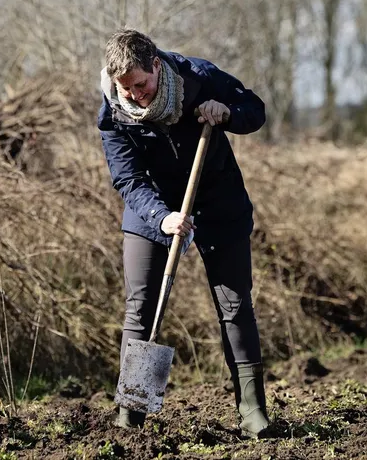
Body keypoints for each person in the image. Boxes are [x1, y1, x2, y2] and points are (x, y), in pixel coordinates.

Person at [97, 29, 270, 438]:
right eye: (126, 88)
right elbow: (127, 178)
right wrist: (162, 217)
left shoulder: (198, 77)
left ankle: (252, 411)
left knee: (234, 305)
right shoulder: (113, 111)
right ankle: (131, 411)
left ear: (156, 65)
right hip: (151, 208)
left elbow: (255, 110)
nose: (135, 95)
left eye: (141, 84)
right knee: (141, 306)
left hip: (216, 201)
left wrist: (225, 111)